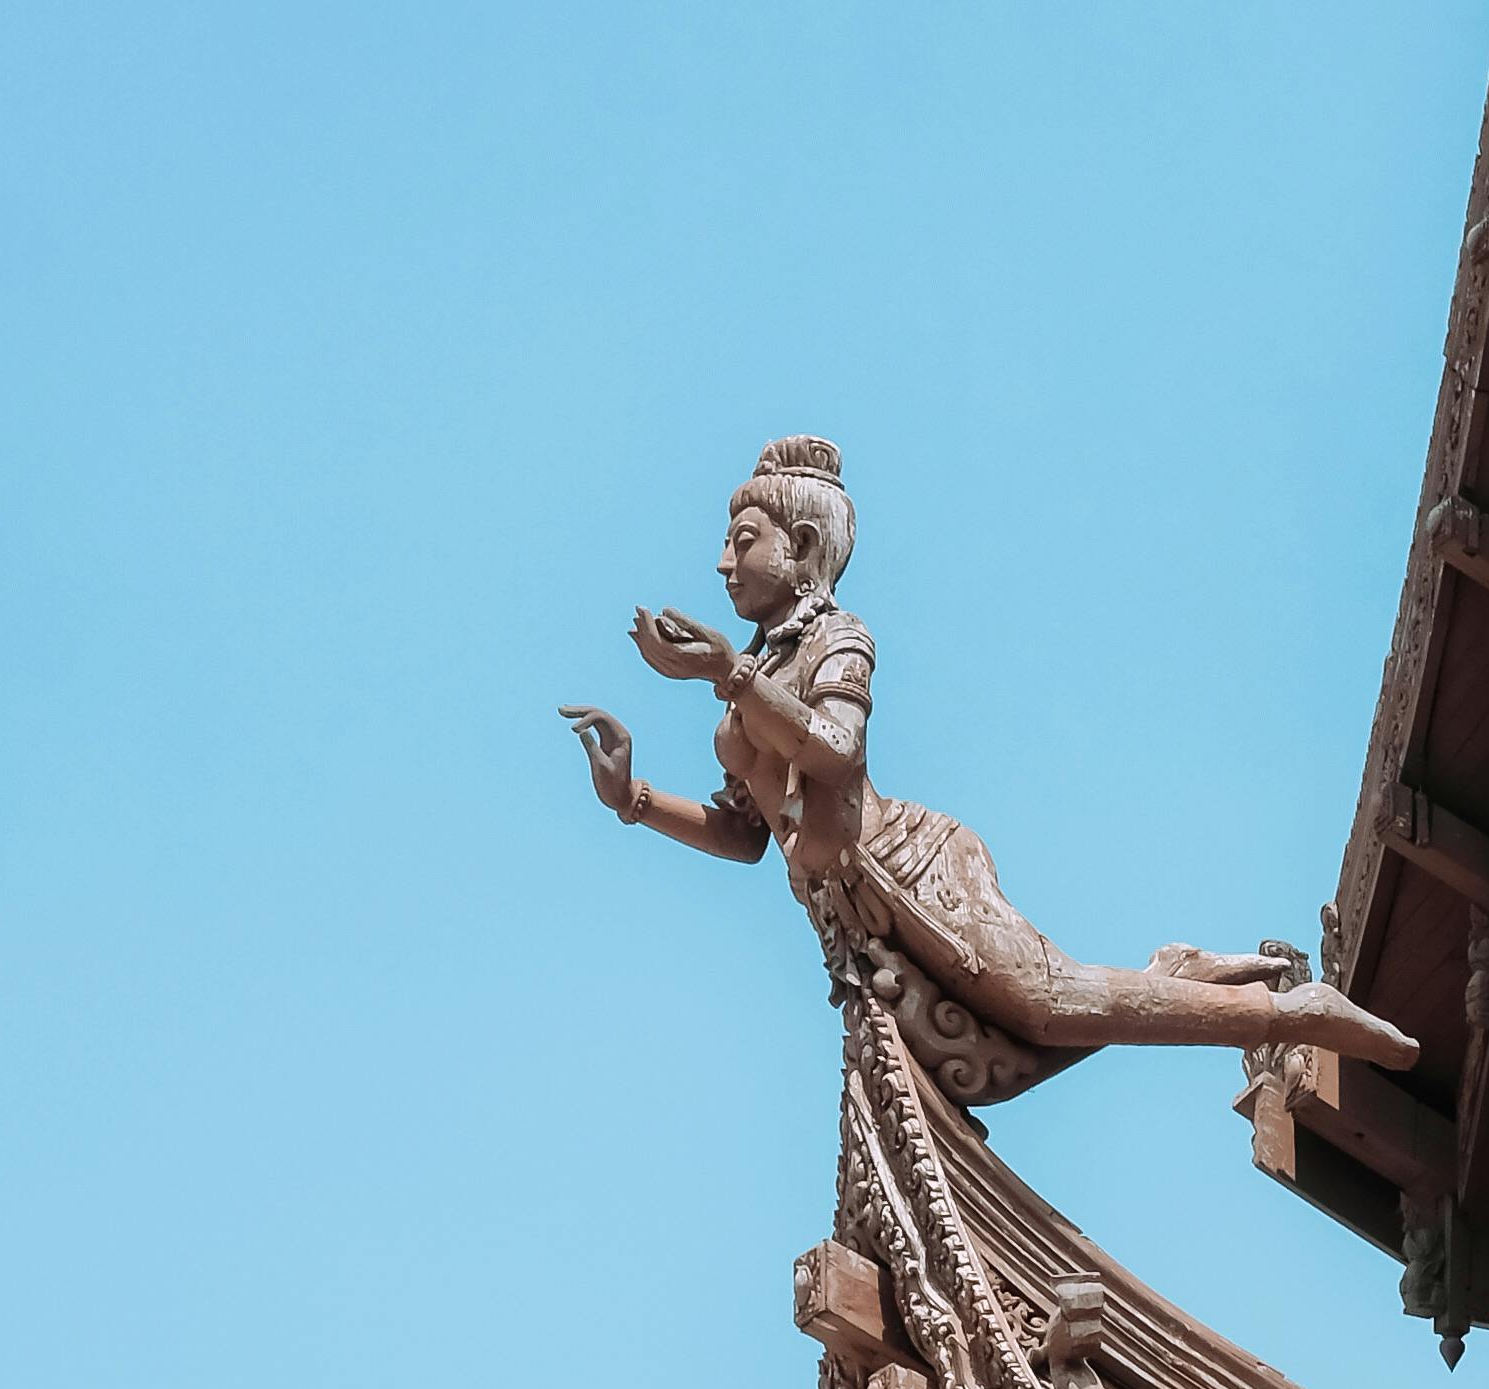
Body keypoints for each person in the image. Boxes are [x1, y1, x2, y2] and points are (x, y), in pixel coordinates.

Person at [566, 436, 1408, 1096]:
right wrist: (633, 799)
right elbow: (750, 836)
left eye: (742, 541)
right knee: (1032, 1037)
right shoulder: (753, 669)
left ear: (805, 545)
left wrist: (730, 675)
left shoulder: (836, 639)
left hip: (912, 873)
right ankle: (1170, 974)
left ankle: (1291, 1014)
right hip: (855, 924)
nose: (721, 563)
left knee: (1051, 1011)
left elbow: (834, 751)